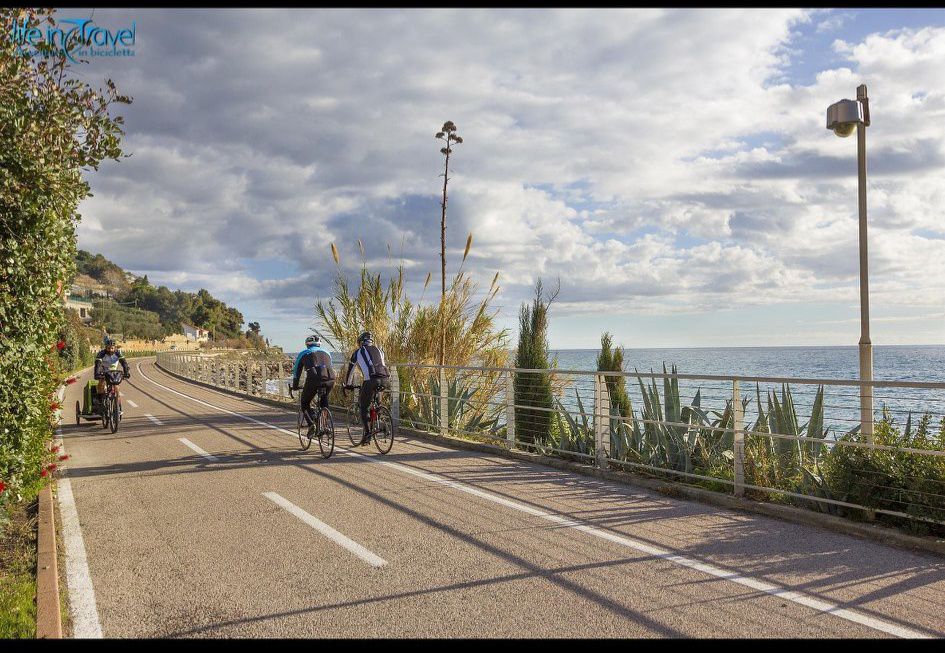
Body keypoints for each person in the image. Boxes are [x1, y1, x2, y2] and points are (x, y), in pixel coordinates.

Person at [343, 331, 390, 445]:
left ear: (360, 342)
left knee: (364, 407)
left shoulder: (358, 352)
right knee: (376, 403)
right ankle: (380, 418)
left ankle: (368, 434)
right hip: (384, 379)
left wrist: (347, 385)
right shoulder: (380, 351)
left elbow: (351, 371)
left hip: (370, 380)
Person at [291, 335, 336, 435]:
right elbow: (330, 366)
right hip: (331, 378)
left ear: (307, 344)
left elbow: (296, 372)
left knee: (304, 402)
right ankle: (325, 425)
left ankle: (312, 424)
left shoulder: (303, 353)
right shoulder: (327, 352)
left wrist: (295, 386)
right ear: (319, 344)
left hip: (314, 379)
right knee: (324, 398)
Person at [94, 337, 130, 413]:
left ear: (115, 348)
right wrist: (97, 374)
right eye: (108, 348)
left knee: (116, 387)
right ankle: (100, 400)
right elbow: (97, 364)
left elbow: (124, 363)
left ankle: (117, 406)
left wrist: (126, 372)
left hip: (113, 371)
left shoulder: (118, 353)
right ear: (105, 347)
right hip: (103, 370)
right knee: (101, 383)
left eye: (112, 348)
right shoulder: (101, 353)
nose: (110, 350)